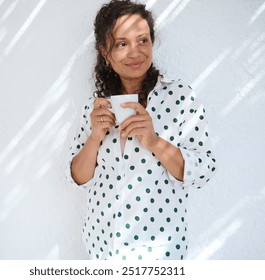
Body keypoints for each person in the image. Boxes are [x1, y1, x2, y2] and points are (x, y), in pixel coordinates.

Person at [66, 0, 217, 260]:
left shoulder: (179, 97)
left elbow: (203, 170)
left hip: (160, 250)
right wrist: (94, 138)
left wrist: (154, 140)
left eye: (143, 40)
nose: (136, 52)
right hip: (103, 245)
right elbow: (79, 178)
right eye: (122, 43)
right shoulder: (96, 107)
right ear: (105, 51)